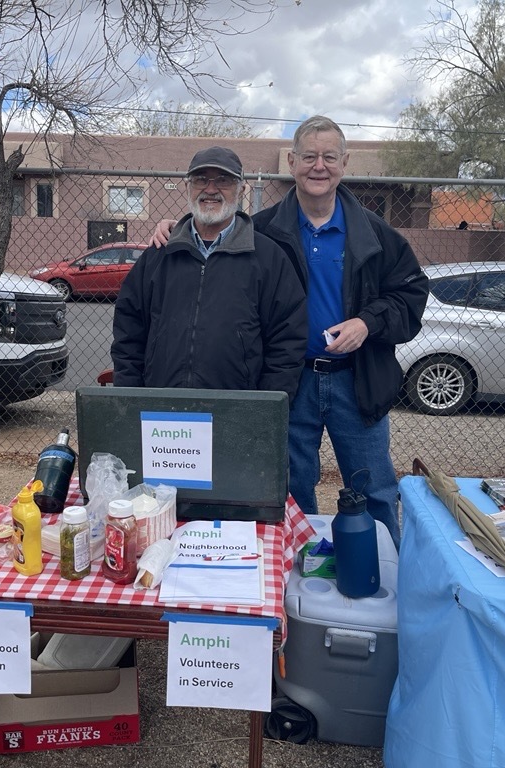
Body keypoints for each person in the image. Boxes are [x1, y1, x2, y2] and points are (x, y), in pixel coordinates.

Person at [151, 118, 428, 546]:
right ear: (293, 162)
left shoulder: (376, 234)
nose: (319, 166)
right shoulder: (261, 231)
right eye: (310, 157)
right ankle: (301, 575)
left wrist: (368, 323)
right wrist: (175, 227)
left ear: (344, 163)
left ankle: (386, 586)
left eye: (329, 157)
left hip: (357, 381)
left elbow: (411, 295)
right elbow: (211, 232)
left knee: (374, 489)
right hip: (289, 380)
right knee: (292, 489)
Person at [111, 146, 307, 400]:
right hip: (163, 408)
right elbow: (128, 332)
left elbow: (288, 340)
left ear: (241, 189)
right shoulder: (158, 255)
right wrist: (130, 396)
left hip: (237, 410)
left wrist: (266, 408)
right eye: (201, 179)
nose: (211, 189)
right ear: (188, 188)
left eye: (223, 180)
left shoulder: (268, 257)